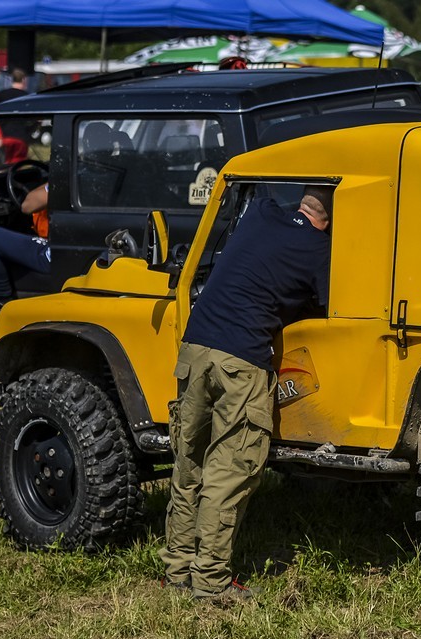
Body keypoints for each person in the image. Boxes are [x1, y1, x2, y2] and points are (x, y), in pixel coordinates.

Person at [160, 186, 333, 601]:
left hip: (196, 347)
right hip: (242, 362)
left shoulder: (261, 212)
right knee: (231, 470)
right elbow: (329, 307)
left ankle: (177, 570)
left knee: (190, 463)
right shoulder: (320, 250)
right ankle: (211, 581)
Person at [0, 183, 50, 330]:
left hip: (54, 255)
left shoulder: (72, 176)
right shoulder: (99, 176)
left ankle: (2, 303)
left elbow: (27, 206)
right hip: (81, 249)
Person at [0, 69, 30, 166]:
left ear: (12, 79)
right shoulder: (27, 96)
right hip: (21, 136)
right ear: (24, 80)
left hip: (4, 136)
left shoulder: (2, 94)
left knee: (4, 165)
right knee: (18, 166)